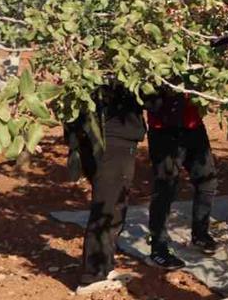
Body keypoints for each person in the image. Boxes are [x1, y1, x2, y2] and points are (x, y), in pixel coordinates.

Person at [70, 82, 147, 290]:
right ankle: (91, 277)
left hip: (114, 140)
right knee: (106, 208)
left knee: (115, 207)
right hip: (111, 142)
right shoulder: (115, 70)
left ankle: (105, 267)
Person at [145, 87, 219, 269]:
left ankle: (200, 234)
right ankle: (158, 249)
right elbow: (149, 100)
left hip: (194, 127)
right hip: (164, 131)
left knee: (207, 180)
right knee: (165, 188)